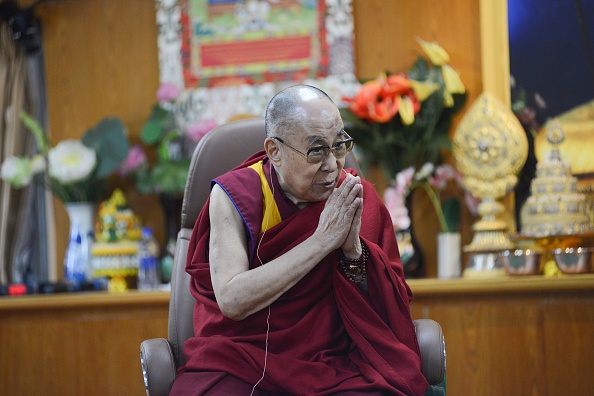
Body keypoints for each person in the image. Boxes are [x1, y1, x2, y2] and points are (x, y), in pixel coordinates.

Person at [171, 85, 429, 395]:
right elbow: (231, 299)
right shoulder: (236, 196)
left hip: (335, 364)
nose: (332, 164)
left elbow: (387, 310)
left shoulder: (354, 197)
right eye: (317, 150)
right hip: (245, 362)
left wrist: (352, 254)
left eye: (339, 146)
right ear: (274, 151)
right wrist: (322, 241)